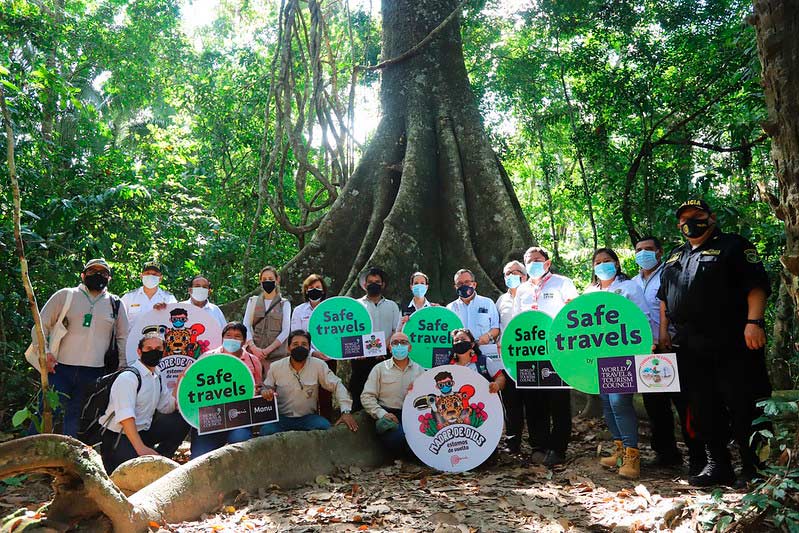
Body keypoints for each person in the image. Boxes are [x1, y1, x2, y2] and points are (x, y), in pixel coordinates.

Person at [657, 199, 772, 487]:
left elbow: (756, 286)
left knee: (745, 404)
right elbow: (663, 298)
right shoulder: (675, 256)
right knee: (703, 407)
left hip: (734, 340)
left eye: (697, 216)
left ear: (711, 217)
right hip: (690, 344)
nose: (690, 223)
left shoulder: (733, 246)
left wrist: (754, 323)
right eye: (684, 219)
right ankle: (718, 465)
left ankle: (756, 469)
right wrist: (664, 333)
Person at [31, 258, 129, 437]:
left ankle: (70, 460)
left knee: (79, 418)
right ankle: (31, 455)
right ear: (83, 275)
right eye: (93, 272)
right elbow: (40, 325)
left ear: (109, 278)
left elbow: (123, 337)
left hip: (94, 373)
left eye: (103, 273)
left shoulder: (115, 304)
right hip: (59, 368)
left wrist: (122, 365)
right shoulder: (66, 296)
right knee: (46, 412)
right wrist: (44, 353)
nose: (98, 275)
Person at [632, 236, 703, 473]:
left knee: (685, 404)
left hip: (672, 348)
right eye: (639, 250)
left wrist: (666, 336)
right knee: (655, 406)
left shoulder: (670, 274)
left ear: (660, 252)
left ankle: (697, 456)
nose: (643, 254)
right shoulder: (632, 283)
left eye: (649, 249)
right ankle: (666, 454)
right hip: (646, 354)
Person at [586, 248, 648, 480]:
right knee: (607, 403)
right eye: (598, 262)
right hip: (598, 355)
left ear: (617, 264)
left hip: (625, 354)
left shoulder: (630, 287)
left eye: (607, 261)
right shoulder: (590, 291)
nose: (603, 265)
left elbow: (643, 317)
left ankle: (633, 456)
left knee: (620, 401)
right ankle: (620, 451)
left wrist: (648, 343)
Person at [514, 247, 579, 465]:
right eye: (528, 260)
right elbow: (516, 321)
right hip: (529, 352)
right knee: (533, 401)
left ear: (547, 263)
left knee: (558, 401)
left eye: (537, 260)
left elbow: (574, 314)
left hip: (558, 352)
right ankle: (538, 446)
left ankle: (558, 448)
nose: (533, 263)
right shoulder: (521, 290)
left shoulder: (562, 283)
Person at [100, 333, 188, 474]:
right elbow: (125, 417)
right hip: (119, 437)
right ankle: (147, 460)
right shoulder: (128, 378)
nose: (153, 351)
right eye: (149, 348)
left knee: (180, 420)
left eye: (158, 348)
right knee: (133, 475)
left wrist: (181, 382)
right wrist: (141, 449)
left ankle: (162, 461)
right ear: (139, 352)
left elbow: (167, 407)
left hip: (143, 432)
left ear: (163, 351)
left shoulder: (157, 375)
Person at [260, 330, 358, 435]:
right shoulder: (276, 366)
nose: (300, 347)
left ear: (309, 348)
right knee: (266, 431)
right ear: (288, 348)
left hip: (308, 419)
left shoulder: (318, 365)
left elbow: (337, 385)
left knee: (324, 427)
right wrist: (265, 392)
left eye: (304, 344)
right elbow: (266, 387)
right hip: (282, 419)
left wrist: (346, 411)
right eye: (295, 344)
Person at [189, 322, 261, 458]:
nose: (232, 339)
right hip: (211, 419)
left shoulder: (253, 361)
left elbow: (258, 386)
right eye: (228, 335)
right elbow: (193, 386)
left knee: (240, 439)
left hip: (240, 418)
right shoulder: (207, 358)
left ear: (244, 341)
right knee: (198, 457)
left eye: (237, 336)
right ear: (222, 338)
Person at [360, 331, 425, 457]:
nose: (399, 345)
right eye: (395, 343)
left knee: (420, 442)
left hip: (412, 416)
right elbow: (367, 396)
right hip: (388, 415)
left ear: (410, 347)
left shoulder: (419, 370)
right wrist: (382, 414)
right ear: (390, 348)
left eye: (403, 342)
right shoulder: (379, 368)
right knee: (397, 438)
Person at [495, 260, 533, 456]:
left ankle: (537, 442)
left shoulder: (532, 295)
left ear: (525, 276)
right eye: (508, 273)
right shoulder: (501, 301)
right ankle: (512, 442)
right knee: (511, 402)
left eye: (517, 272)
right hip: (507, 359)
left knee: (534, 401)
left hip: (530, 356)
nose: (513, 275)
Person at [353, 267, 400, 411]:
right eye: (370, 282)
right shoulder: (356, 305)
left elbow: (396, 330)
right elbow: (351, 330)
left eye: (377, 282)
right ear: (365, 285)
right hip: (361, 357)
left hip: (385, 356)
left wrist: (384, 347)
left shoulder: (392, 306)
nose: (374, 284)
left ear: (383, 285)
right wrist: (359, 350)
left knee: (385, 389)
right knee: (359, 387)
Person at [290, 273, 337, 420]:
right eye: (310, 287)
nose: (314, 290)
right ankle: (306, 421)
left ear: (323, 290)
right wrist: (312, 353)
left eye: (317, 287)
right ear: (305, 290)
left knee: (326, 391)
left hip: (328, 358)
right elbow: (295, 335)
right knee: (306, 391)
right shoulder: (299, 310)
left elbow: (337, 333)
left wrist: (329, 353)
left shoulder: (331, 308)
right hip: (305, 357)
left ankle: (326, 422)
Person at [243, 266, 291, 369]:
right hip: (253, 354)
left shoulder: (284, 303)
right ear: (260, 281)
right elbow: (246, 325)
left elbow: (286, 330)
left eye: (270, 279)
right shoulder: (253, 302)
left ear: (277, 280)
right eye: (264, 279)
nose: (267, 282)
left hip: (277, 356)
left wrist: (267, 350)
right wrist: (254, 348)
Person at [446, 269, 500, 359]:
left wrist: (488, 336)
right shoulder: (450, 308)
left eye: (467, 282)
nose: (463, 285)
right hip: (460, 356)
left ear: (474, 284)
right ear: (455, 287)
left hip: (485, 353)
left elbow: (496, 328)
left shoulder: (487, 303)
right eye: (459, 283)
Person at [121, 261, 176, 330]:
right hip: (132, 340)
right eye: (147, 273)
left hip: (160, 339)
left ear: (160, 278)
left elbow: (176, 322)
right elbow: (119, 322)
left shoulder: (169, 299)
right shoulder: (129, 297)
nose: (151, 276)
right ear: (141, 276)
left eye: (155, 274)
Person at [449, 328, 505, 393]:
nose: (459, 342)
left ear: (472, 344)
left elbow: (500, 377)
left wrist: (497, 385)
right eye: (456, 340)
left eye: (463, 339)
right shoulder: (448, 365)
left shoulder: (484, 361)